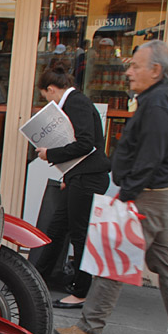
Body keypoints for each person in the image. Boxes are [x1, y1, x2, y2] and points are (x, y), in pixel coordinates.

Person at [55, 40, 168, 334]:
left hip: (147, 196)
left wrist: (127, 195)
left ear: (156, 70)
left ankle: (90, 326)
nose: (128, 71)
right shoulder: (165, 98)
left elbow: (151, 155)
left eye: (135, 66)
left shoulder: (159, 103)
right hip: (160, 196)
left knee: (112, 261)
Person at [32, 64, 111, 308]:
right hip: (79, 177)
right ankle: (38, 279)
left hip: (87, 178)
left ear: (52, 89)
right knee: (57, 229)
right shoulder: (76, 102)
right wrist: (67, 176)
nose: (48, 102)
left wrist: (50, 153)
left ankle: (80, 291)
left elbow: (86, 144)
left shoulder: (75, 103)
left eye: (46, 96)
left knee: (80, 234)